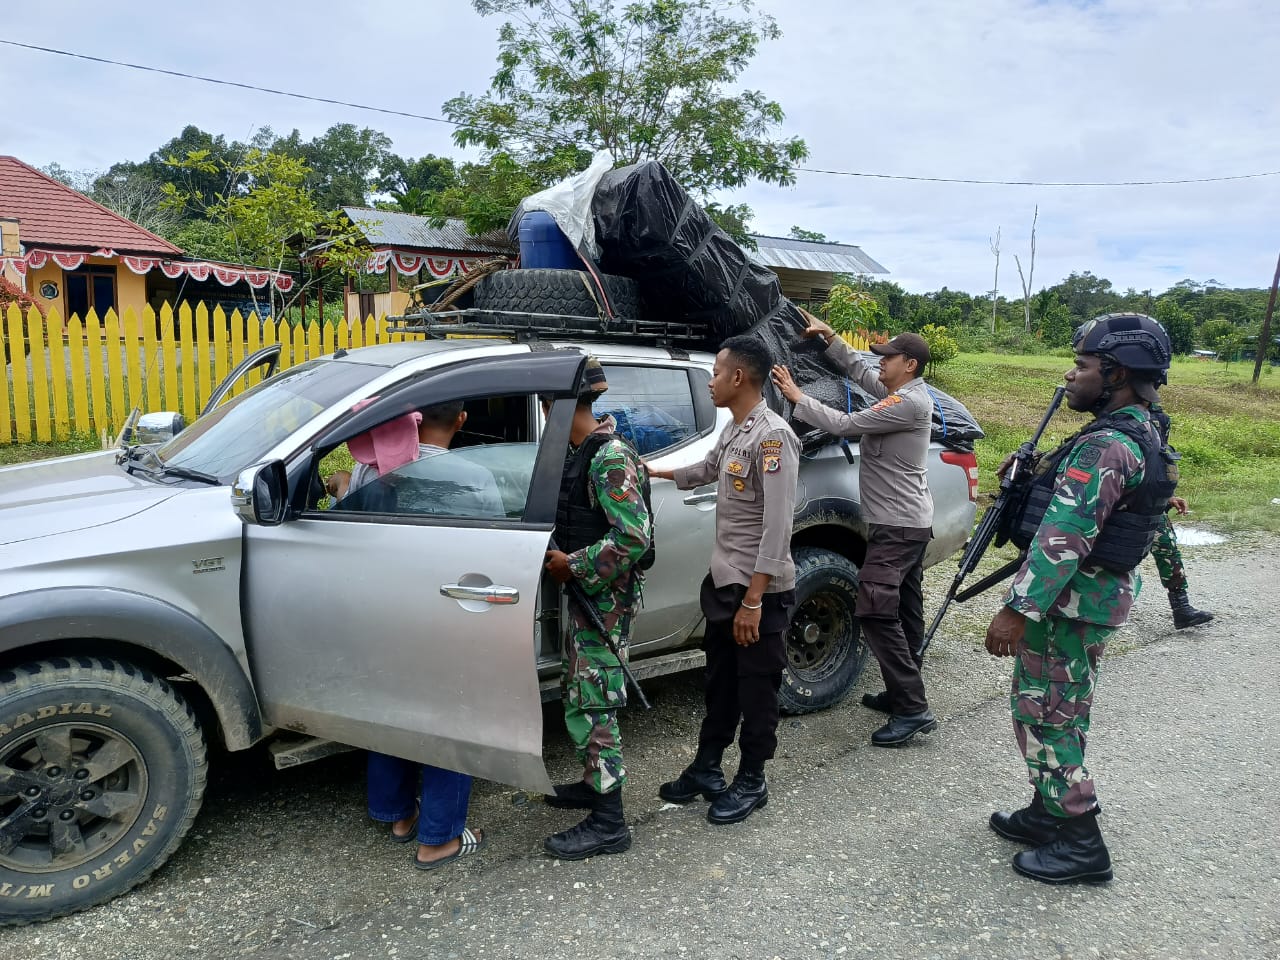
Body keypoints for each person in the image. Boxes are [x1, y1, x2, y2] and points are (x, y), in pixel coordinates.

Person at [984, 312, 1176, 885]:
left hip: (1067, 602)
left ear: (1115, 374)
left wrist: (1017, 609)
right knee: (1056, 707)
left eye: (1083, 365)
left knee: (1047, 715)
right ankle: (1047, 812)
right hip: (1086, 600)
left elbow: (1063, 539)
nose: (1071, 375)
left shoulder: (1109, 447)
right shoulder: (1140, 428)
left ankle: (1080, 839)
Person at [327, 409, 488, 870]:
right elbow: (487, 550)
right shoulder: (474, 475)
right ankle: (439, 839)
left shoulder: (366, 470)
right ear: (462, 418)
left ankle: (398, 815)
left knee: (390, 706)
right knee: (450, 720)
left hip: (379, 612)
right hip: (441, 614)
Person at [648, 335, 799, 825]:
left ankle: (752, 779)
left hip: (757, 591)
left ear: (738, 377)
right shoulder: (736, 429)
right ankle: (707, 768)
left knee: (756, 687)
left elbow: (778, 527)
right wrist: (652, 470)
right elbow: (709, 469)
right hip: (725, 581)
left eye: (715, 372)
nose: (710, 381)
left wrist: (754, 600)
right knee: (720, 683)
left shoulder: (771, 437)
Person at [771, 317, 937, 748]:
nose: (879, 363)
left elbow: (846, 424)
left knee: (875, 610)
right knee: (904, 610)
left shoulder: (908, 404)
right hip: (905, 523)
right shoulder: (904, 394)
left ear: (911, 364)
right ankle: (902, 690)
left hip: (899, 527)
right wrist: (832, 339)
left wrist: (797, 397)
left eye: (889, 358)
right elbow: (861, 375)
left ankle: (913, 709)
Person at [541, 358, 652, 859]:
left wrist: (574, 564)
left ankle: (610, 822)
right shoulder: (581, 452)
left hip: (603, 600)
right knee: (579, 692)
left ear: (557, 407)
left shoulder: (608, 457)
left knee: (595, 701)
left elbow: (633, 537)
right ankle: (594, 784)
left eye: (546, 407)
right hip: (588, 596)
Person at [1148, 403, 1214, 629]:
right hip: (1123, 511)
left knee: (1168, 549)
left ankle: (1181, 609)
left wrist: (1169, 498)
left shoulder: (1156, 442)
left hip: (1151, 508)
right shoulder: (1124, 437)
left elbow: (1156, 474)